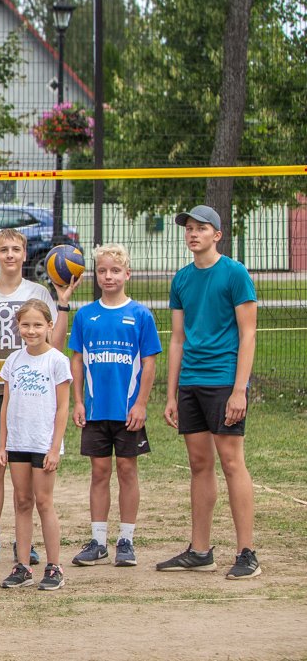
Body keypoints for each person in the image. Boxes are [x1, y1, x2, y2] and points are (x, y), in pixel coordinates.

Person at [158, 206, 260, 579]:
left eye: (201, 228)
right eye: (189, 228)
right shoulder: (182, 279)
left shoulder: (234, 273)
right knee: (199, 465)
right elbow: (178, 339)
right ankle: (200, 550)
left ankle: (246, 552)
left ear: (217, 234)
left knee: (232, 462)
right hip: (191, 382)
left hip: (223, 381)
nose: (193, 234)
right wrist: (171, 394)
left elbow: (248, 334)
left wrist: (239, 390)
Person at [0, 227, 75, 567]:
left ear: (25, 254)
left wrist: (62, 303)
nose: (10, 254)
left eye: (16, 249)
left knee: (33, 489)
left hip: (34, 396)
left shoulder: (39, 291)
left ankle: (23, 547)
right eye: (3, 249)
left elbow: (55, 346)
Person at [68, 243, 161, 568]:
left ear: (127, 274)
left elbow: (149, 363)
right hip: (95, 410)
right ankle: (98, 540)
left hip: (128, 411)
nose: (109, 276)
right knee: (99, 472)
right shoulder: (85, 315)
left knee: (127, 470)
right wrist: (78, 401)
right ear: (96, 275)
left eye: (115, 270)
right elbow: (77, 361)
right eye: (103, 271)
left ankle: (126, 540)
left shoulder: (140, 315)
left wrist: (141, 404)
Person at [0, 300, 71, 591]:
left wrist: (55, 448)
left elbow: (63, 408)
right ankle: (23, 566)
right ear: (18, 327)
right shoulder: (13, 360)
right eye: (25, 325)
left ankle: (54, 567)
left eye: (38, 324)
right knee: (22, 502)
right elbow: (6, 404)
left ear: (49, 326)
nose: (31, 330)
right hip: (18, 442)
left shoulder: (56, 360)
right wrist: (3, 445)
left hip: (43, 443)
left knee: (44, 502)